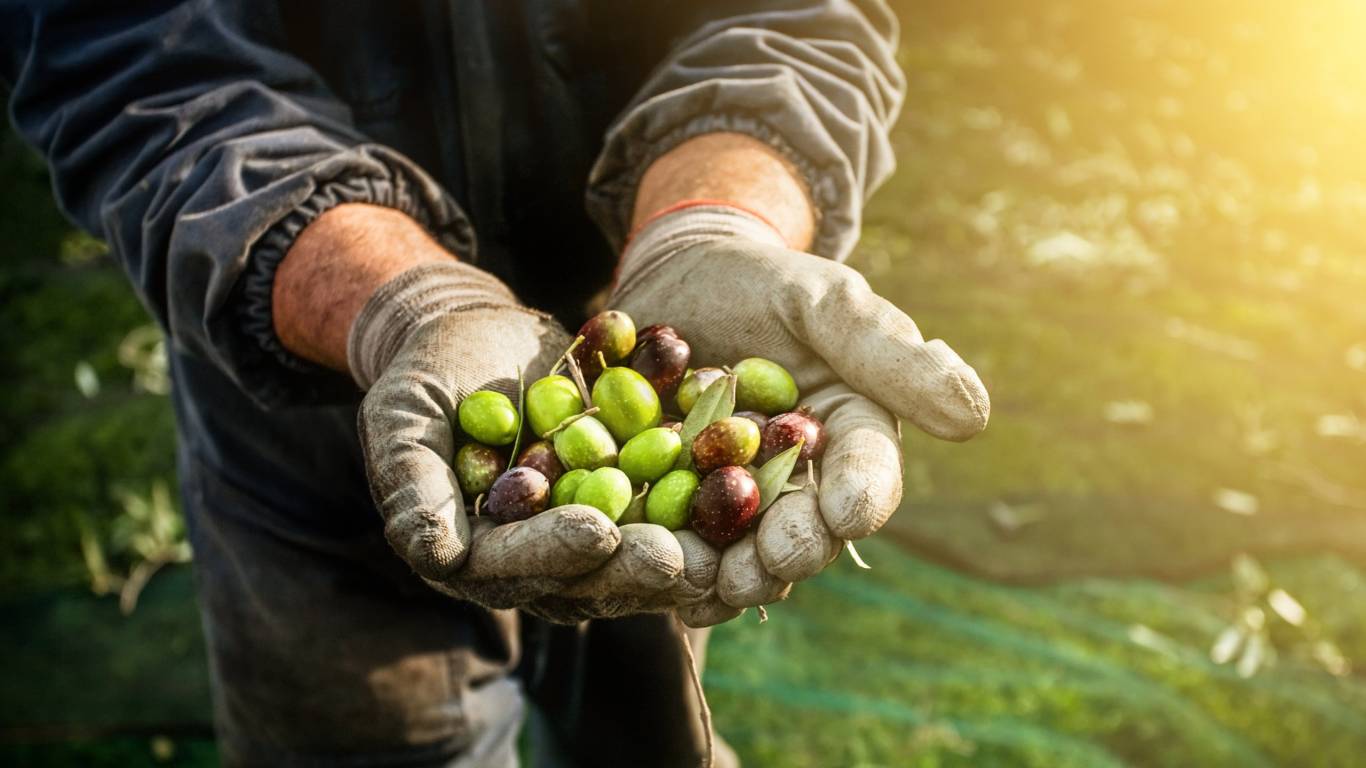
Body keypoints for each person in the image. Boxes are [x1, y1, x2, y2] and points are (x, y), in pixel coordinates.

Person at [2, 1, 988, 765]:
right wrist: (403, 304)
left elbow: (792, 21)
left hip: (648, 313)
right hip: (301, 399)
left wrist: (712, 222)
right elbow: (142, 69)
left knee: (655, 733)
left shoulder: (670, 432)